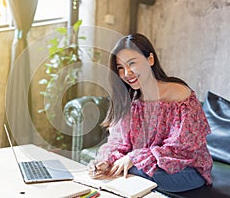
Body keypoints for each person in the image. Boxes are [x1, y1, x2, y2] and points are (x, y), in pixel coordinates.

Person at [88, 33, 213, 193]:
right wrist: (105, 161)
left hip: (187, 169)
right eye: (121, 68)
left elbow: (181, 148)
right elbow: (119, 143)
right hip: (148, 166)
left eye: (132, 63)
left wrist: (133, 158)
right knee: (114, 171)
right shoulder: (132, 103)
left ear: (150, 60)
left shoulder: (180, 95)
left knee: (135, 172)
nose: (127, 73)